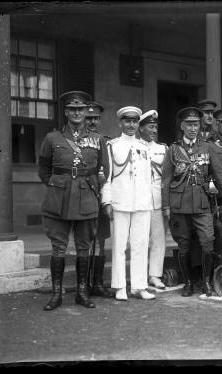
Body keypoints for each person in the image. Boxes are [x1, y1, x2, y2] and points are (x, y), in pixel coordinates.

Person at [161, 107, 222, 297]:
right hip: (179, 204)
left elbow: (219, 176)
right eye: (189, 124)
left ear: (200, 126)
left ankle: (206, 282)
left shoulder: (208, 147)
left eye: (195, 124)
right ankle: (188, 283)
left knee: (208, 242)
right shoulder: (173, 149)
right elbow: (165, 180)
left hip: (201, 204)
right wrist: (166, 206)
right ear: (182, 126)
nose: (192, 128)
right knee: (183, 246)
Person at [38, 90, 107, 311]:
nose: (77, 113)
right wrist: (58, 184)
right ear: (66, 112)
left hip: (86, 197)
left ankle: (82, 292)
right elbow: (43, 170)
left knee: (83, 247)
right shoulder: (52, 138)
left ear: (86, 111)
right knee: (58, 247)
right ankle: (57, 293)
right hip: (59, 198)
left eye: (81, 109)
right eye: (72, 109)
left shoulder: (98, 140)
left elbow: (103, 170)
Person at [101, 106, 155, 301]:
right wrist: (107, 200)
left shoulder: (144, 147)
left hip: (142, 202)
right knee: (119, 245)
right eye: (127, 121)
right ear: (120, 123)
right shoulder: (112, 146)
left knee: (140, 245)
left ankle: (139, 286)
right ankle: (120, 286)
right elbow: (107, 177)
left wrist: (149, 201)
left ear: (138, 124)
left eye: (134, 121)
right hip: (120, 201)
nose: (131, 124)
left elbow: (148, 179)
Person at [84, 101, 114, 298]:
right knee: (85, 241)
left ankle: (97, 282)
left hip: (99, 196)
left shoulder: (105, 141)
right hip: (83, 197)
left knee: (100, 241)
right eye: (89, 118)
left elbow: (109, 171)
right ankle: (84, 283)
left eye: (95, 118)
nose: (92, 122)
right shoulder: (76, 141)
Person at [138, 109, 170, 289]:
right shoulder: (135, 146)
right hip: (140, 201)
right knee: (140, 240)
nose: (154, 130)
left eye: (155, 127)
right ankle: (140, 274)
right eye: (150, 127)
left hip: (158, 200)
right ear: (141, 128)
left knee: (159, 239)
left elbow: (166, 177)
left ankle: (155, 275)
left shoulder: (163, 149)